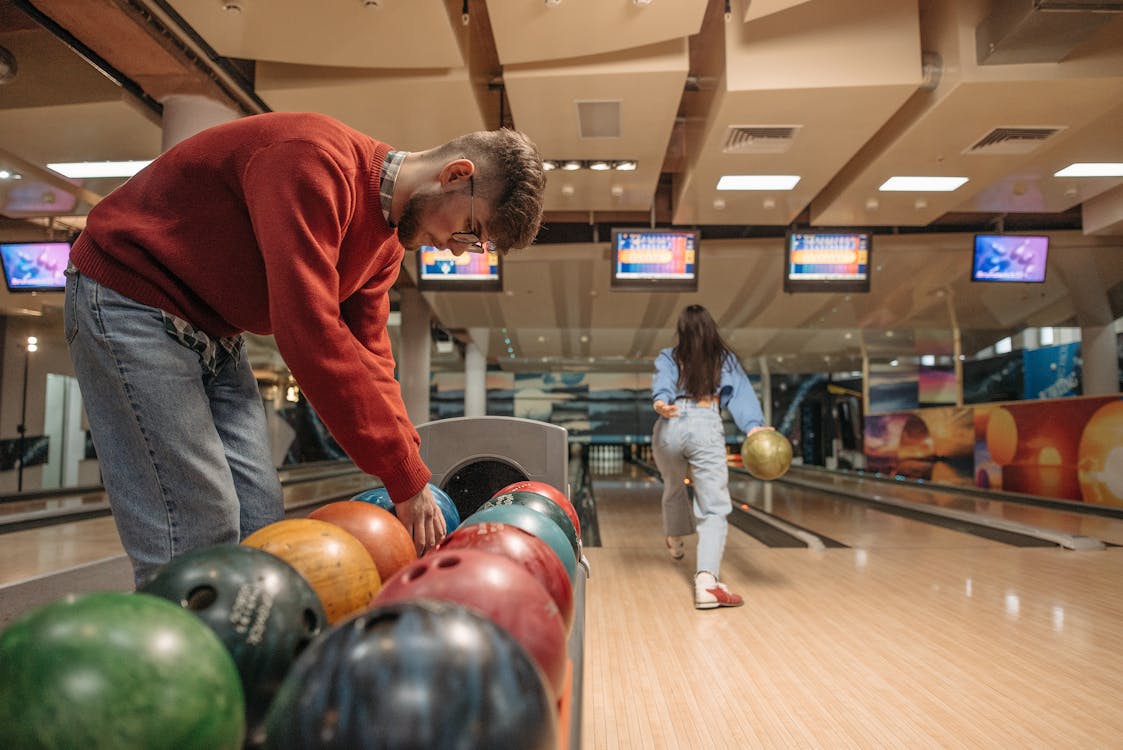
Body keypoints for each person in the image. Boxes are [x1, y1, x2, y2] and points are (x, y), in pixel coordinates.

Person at [65, 111, 546, 585]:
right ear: (456, 176)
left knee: (262, 521)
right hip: (133, 299)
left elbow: (372, 358)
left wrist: (409, 466)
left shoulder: (385, 248)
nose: (459, 250)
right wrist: (403, 477)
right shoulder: (313, 163)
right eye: (471, 230)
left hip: (215, 331)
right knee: (197, 529)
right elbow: (309, 332)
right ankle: (179, 658)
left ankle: (251, 651)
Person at [651, 304, 772, 610]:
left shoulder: (669, 355)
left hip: (670, 424)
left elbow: (662, 385)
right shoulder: (724, 358)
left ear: (681, 332)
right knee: (714, 507)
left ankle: (675, 538)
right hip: (706, 420)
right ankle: (707, 582)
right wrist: (754, 427)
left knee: (673, 486)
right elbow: (742, 396)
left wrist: (662, 401)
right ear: (711, 329)